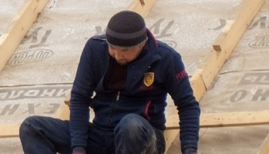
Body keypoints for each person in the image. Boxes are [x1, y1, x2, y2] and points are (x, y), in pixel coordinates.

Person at [19, 11, 200, 154]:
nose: (117, 55)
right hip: (100, 134)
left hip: (142, 137)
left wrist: (190, 149)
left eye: (125, 51)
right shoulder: (95, 49)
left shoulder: (166, 58)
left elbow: (187, 106)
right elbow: (80, 98)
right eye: (112, 47)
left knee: (130, 125)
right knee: (32, 127)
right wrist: (79, 148)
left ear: (142, 44)